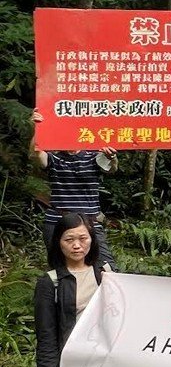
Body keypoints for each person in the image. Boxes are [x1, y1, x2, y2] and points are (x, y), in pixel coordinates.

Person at [33, 213, 113, 367]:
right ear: (58, 242)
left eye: (83, 239)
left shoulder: (105, 274)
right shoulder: (50, 282)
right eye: (69, 240)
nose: (77, 245)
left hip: (105, 356)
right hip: (75, 362)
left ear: (92, 240)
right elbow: (46, 334)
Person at [29, 110, 118, 267]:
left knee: (106, 268)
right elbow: (36, 154)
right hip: (57, 222)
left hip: (90, 222)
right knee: (62, 271)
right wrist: (38, 127)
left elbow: (111, 168)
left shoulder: (94, 155)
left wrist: (113, 158)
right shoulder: (54, 158)